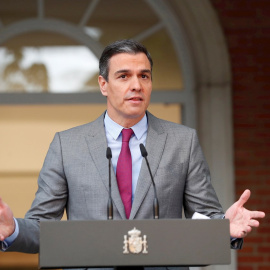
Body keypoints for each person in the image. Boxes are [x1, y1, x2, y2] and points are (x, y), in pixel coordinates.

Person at [0, 40, 265, 269]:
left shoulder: (183, 141)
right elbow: (43, 226)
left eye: (144, 76)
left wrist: (222, 229)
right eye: (124, 76)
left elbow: (205, 217)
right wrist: (14, 229)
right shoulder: (66, 145)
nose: (136, 85)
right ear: (104, 84)